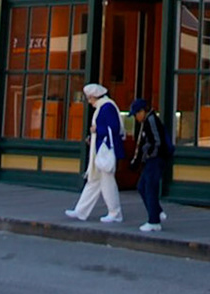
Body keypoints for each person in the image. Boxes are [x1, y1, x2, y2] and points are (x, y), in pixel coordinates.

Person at [63, 83, 126, 224]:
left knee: (105, 183)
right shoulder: (107, 106)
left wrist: (96, 130)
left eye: (89, 98)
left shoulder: (106, 107)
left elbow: (113, 128)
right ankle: (81, 211)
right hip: (102, 150)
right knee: (95, 181)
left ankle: (114, 213)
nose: (89, 101)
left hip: (104, 151)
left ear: (94, 97)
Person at [130, 97, 170, 232]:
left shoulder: (151, 121)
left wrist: (148, 154)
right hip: (153, 159)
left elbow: (157, 142)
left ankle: (154, 221)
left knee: (149, 188)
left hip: (156, 160)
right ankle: (157, 211)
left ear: (142, 111)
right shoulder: (148, 121)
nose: (135, 117)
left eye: (136, 114)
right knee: (142, 187)